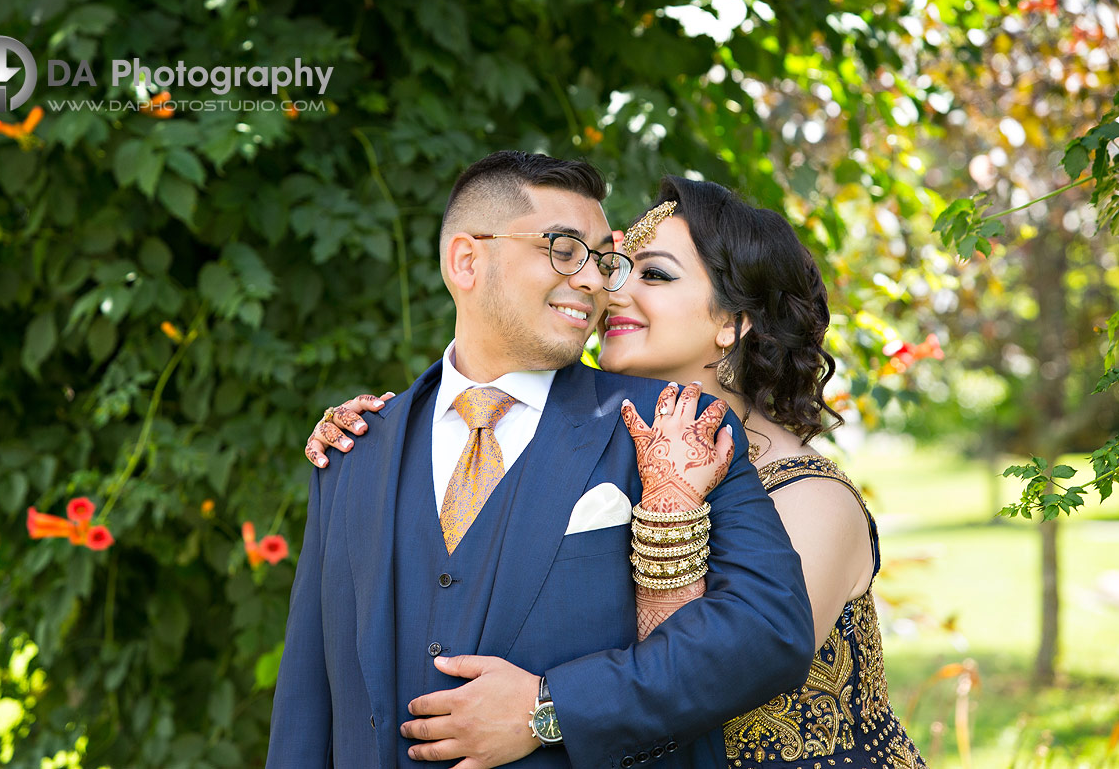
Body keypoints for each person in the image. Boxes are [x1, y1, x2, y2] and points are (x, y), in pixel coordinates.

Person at [308, 174, 927, 768]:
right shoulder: (594, 439)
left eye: (652, 275)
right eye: (616, 269)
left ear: (730, 323)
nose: (611, 291)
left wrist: (540, 711)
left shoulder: (809, 499)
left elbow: (722, 669)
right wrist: (393, 443)